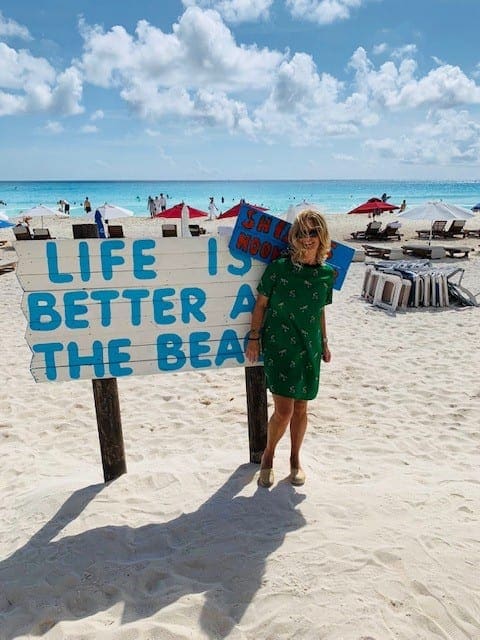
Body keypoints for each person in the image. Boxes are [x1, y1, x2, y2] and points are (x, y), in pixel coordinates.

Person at [246, 210, 334, 488]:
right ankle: (268, 457)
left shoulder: (327, 274)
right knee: (283, 410)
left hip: (309, 346)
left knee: (302, 408)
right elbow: (260, 305)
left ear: (322, 236)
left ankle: (295, 460)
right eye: (301, 233)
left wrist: (325, 342)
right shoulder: (279, 268)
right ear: (293, 237)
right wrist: (254, 337)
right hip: (280, 345)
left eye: (312, 233)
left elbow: (319, 310)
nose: (307, 239)